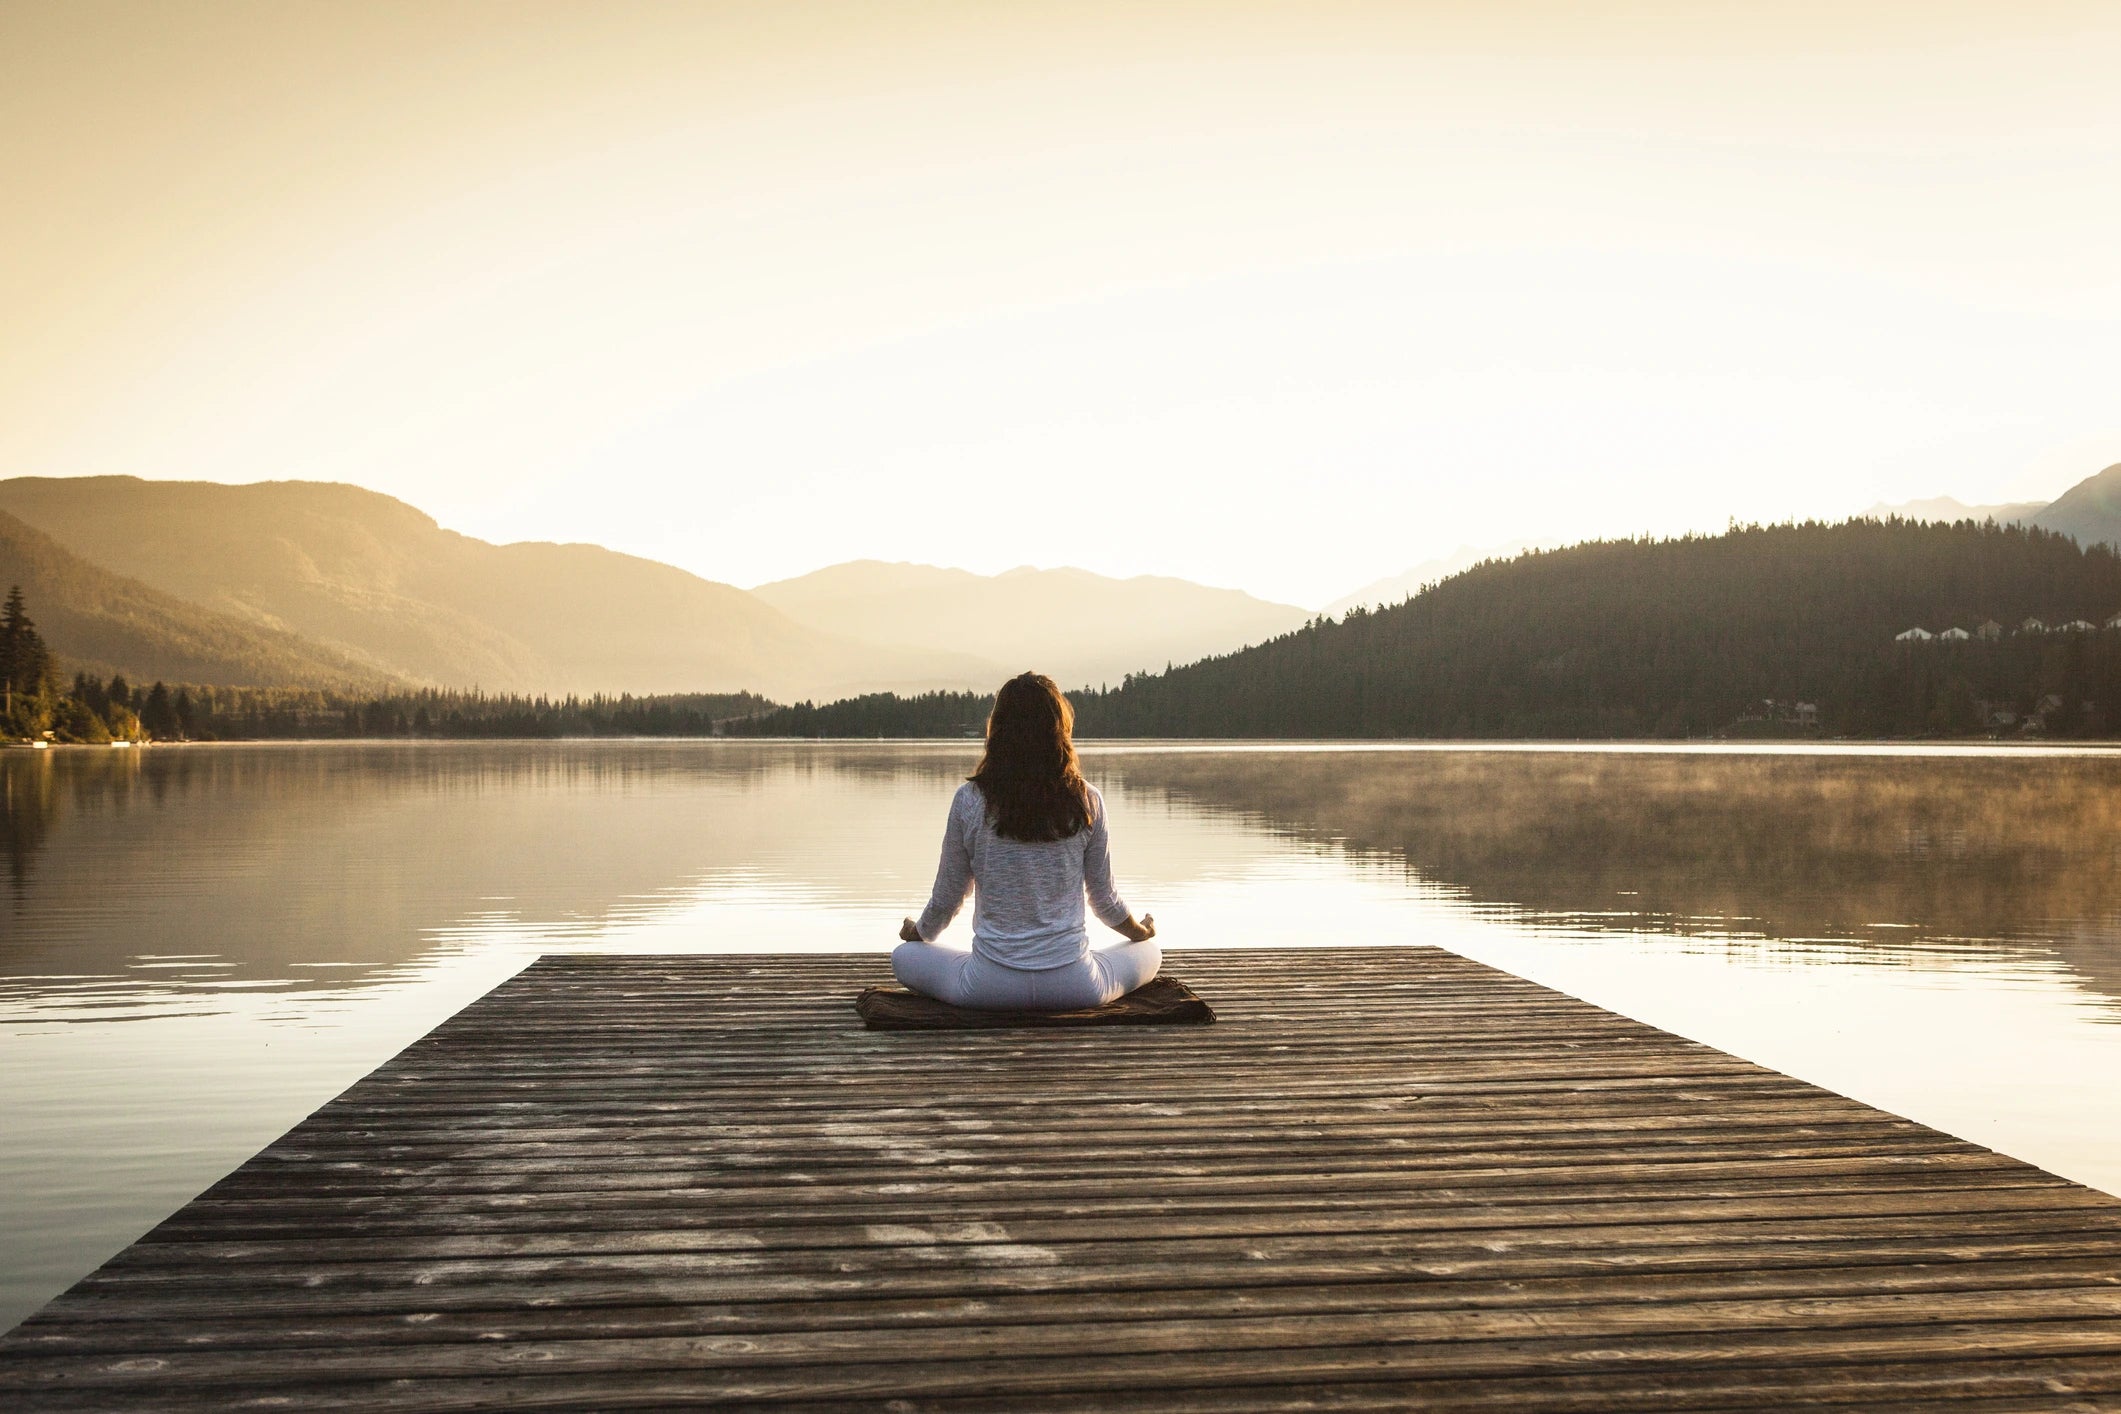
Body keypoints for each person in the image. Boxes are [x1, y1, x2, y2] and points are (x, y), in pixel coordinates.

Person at [893, 672, 1159, 1011]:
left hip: (989, 988)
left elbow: (949, 896)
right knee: (1151, 953)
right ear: (1059, 730)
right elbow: (1104, 899)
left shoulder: (969, 800)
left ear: (998, 731)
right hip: (1075, 987)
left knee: (904, 956)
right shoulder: (1087, 801)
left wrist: (919, 933)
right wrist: (1140, 933)